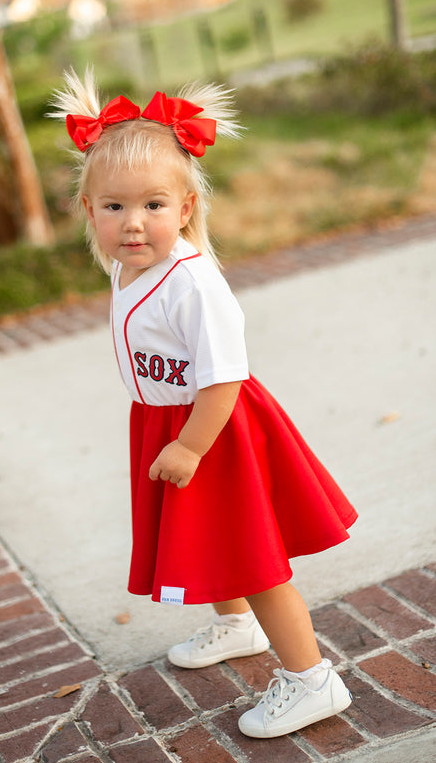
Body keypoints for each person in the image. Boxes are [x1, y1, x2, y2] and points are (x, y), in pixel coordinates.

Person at [50, 70, 358, 739]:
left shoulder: (195, 285)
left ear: (185, 207)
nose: (133, 223)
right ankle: (235, 621)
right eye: (114, 208)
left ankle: (312, 679)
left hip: (213, 426)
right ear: (88, 209)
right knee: (203, 538)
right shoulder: (126, 266)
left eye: (153, 206)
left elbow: (223, 379)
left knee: (251, 554)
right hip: (163, 419)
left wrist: (189, 443)